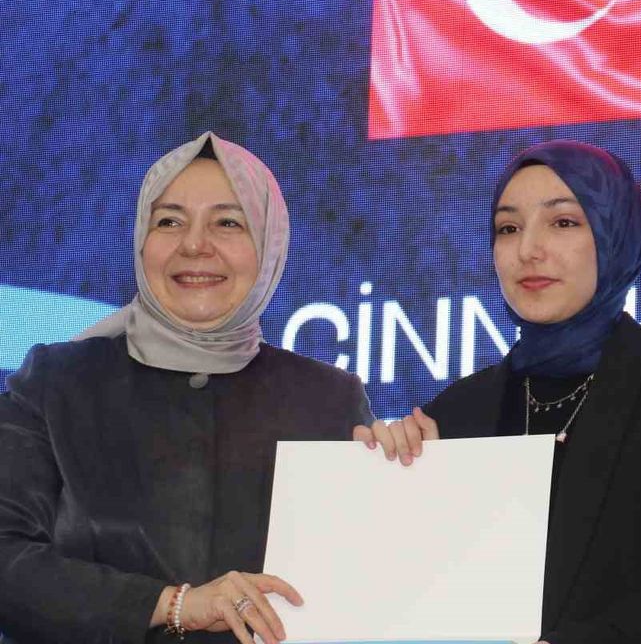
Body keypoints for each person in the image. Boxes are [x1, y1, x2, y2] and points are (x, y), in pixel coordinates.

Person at [357, 139, 641, 644]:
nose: (528, 250)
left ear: (615, 235)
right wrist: (386, 485)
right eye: (508, 228)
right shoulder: (457, 411)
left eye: (563, 222)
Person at [0, 133, 373, 644]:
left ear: (268, 246)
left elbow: (368, 583)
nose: (194, 244)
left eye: (228, 222)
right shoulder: (55, 383)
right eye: (169, 222)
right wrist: (171, 605)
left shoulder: (329, 402)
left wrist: (406, 473)